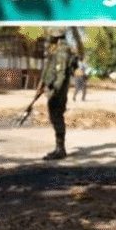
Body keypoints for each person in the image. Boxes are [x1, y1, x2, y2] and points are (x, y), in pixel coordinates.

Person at [34, 28, 76, 160]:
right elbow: (49, 70)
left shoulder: (63, 51)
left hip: (57, 91)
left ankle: (60, 149)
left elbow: (62, 75)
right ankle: (59, 148)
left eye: (52, 36)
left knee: (56, 117)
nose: (49, 39)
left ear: (57, 37)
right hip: (54, 89)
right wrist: (42, 86)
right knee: (55, 117)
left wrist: (56, 91)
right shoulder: (57, 50)